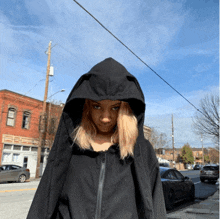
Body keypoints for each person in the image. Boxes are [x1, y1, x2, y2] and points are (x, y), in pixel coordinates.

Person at [27, 58, 166, 219]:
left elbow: (155, 207)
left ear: (124, 110)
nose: (105, 118)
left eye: (114, 108)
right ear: (86, 106)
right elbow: (45, 201)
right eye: (97, 106)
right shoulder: (70, 148)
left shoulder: (141, 151)